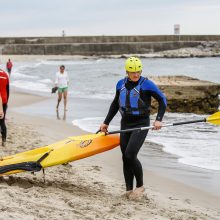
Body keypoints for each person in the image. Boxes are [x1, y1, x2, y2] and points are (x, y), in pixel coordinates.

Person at [99, 57, 167, 199]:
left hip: (141, 123)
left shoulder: (147, 84)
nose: (136, 74)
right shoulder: (120, 84)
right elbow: (115, 104)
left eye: (138, 71)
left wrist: (158, 120)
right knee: (125, 157)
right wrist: (106, 122)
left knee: (130, 154)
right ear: (127, 72)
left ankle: (140, 186)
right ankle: (129, 189)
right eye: (133, 72)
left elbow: (162, 99)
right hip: (126, 123)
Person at [0, 69, 10, 147]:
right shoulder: (5, 74)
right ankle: (4, 141)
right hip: (4, 100)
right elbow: (7, 90)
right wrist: (6, 103)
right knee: (2, 121)